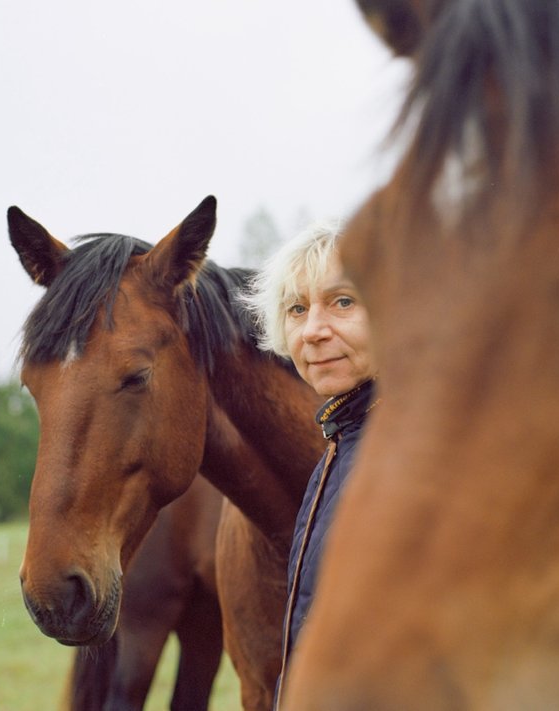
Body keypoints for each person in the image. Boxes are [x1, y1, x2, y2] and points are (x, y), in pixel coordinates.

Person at [243, 219, 379, 703]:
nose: (314, 330)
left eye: (343, 302)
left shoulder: (418, 461)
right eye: (297, 309)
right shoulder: (337, 453)